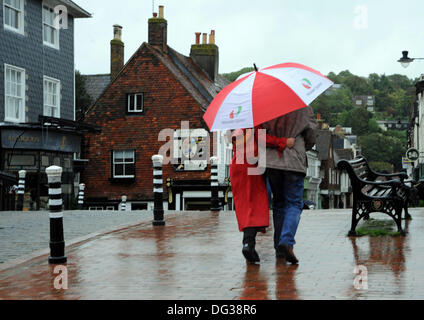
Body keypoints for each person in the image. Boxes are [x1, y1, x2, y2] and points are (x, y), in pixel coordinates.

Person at [230, 127, 295, 264]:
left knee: (245, 207)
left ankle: (248, 244)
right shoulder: (254, 123)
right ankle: (248, 244)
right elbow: (263, 139)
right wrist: (284, 142)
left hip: (237, 166)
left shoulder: (240, 126)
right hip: (251, 167)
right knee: (255, 206)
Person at [261, 106, 317, 264]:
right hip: (294, 161)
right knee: (294, 204)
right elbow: (311, 134)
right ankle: (286, 241)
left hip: (272, 161)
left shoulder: (267, 106)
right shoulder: (303, 107)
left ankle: (279, 248)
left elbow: (260, 133)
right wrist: (302, 146)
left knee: (278, 204)